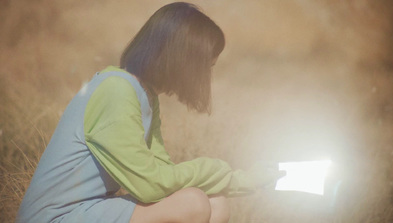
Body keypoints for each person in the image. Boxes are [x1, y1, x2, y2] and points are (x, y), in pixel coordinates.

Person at [17, 2, 284, 223]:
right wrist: (213, 168)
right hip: (55, 217)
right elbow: (150, 186)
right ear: (182, 59)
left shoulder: (145, 95)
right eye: (205, 66)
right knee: (192, 203)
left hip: (90, 209)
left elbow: (162, 174)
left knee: (216, 202)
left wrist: (247, 180)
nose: (206, 76)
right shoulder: (116, 91)